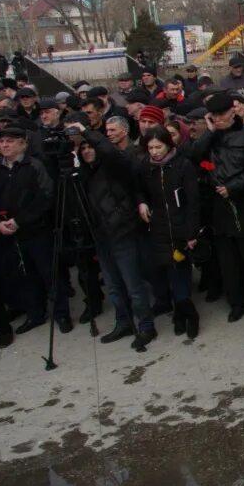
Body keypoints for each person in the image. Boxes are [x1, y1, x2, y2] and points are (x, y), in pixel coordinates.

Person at [70, 123, 155, 346]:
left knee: (133, 284)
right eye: (83, 148)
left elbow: (108, 151)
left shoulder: (114, 165)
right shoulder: (82, 175)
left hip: (122, 231)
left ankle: (146, 326)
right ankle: (124, 322)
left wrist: (85, 131)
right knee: (113, 286)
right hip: (100, 236)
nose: (87, 150)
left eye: (91, 146)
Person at [190, 92, 244, 322]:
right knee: (228, 260)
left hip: (243, 203)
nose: (219, 119)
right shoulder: (211, 135)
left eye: (222, 114)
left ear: (233, 111)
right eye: (214, 115)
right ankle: (236, 302)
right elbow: (195, 158)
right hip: (219, 206)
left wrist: (232, 187)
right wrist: (210, 133)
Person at [0, 127, 67, 334]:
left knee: (49, 274)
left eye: (10, 141)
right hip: (8, 236)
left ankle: (61, 314)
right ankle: (35, 314)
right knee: (24, 277)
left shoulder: (34, 166)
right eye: (2, 142)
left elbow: (46, 197)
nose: (5, 145)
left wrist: (19, 220)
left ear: (23, 143)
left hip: (37, 231)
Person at [136, 125, 200, 348]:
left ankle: (187, 311)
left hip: (181, 226)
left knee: (180, 269)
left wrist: (192, 232)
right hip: (159, 227)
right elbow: (139, 188)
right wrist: (142, 202)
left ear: (169, 145)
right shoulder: (146, 167)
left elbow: (193, 202)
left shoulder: (183, 165)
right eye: (150, 147)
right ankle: (181, 309)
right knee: (168, 269)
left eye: (158, 147)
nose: (154, 152)